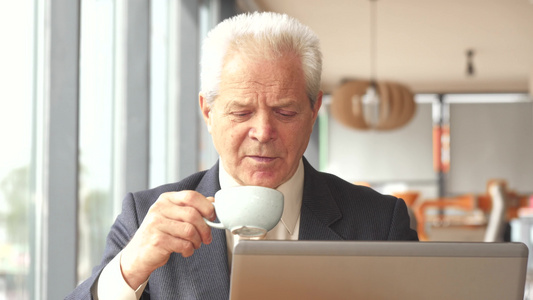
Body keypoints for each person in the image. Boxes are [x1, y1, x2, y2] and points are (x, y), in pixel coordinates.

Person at [66, 11, 418, 300]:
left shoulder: (380, 223)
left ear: (314, 112)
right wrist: (128, 270)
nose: (263, 132)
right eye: (241, 113)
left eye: (285, 112)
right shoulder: (145, 216)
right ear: (208, 113)